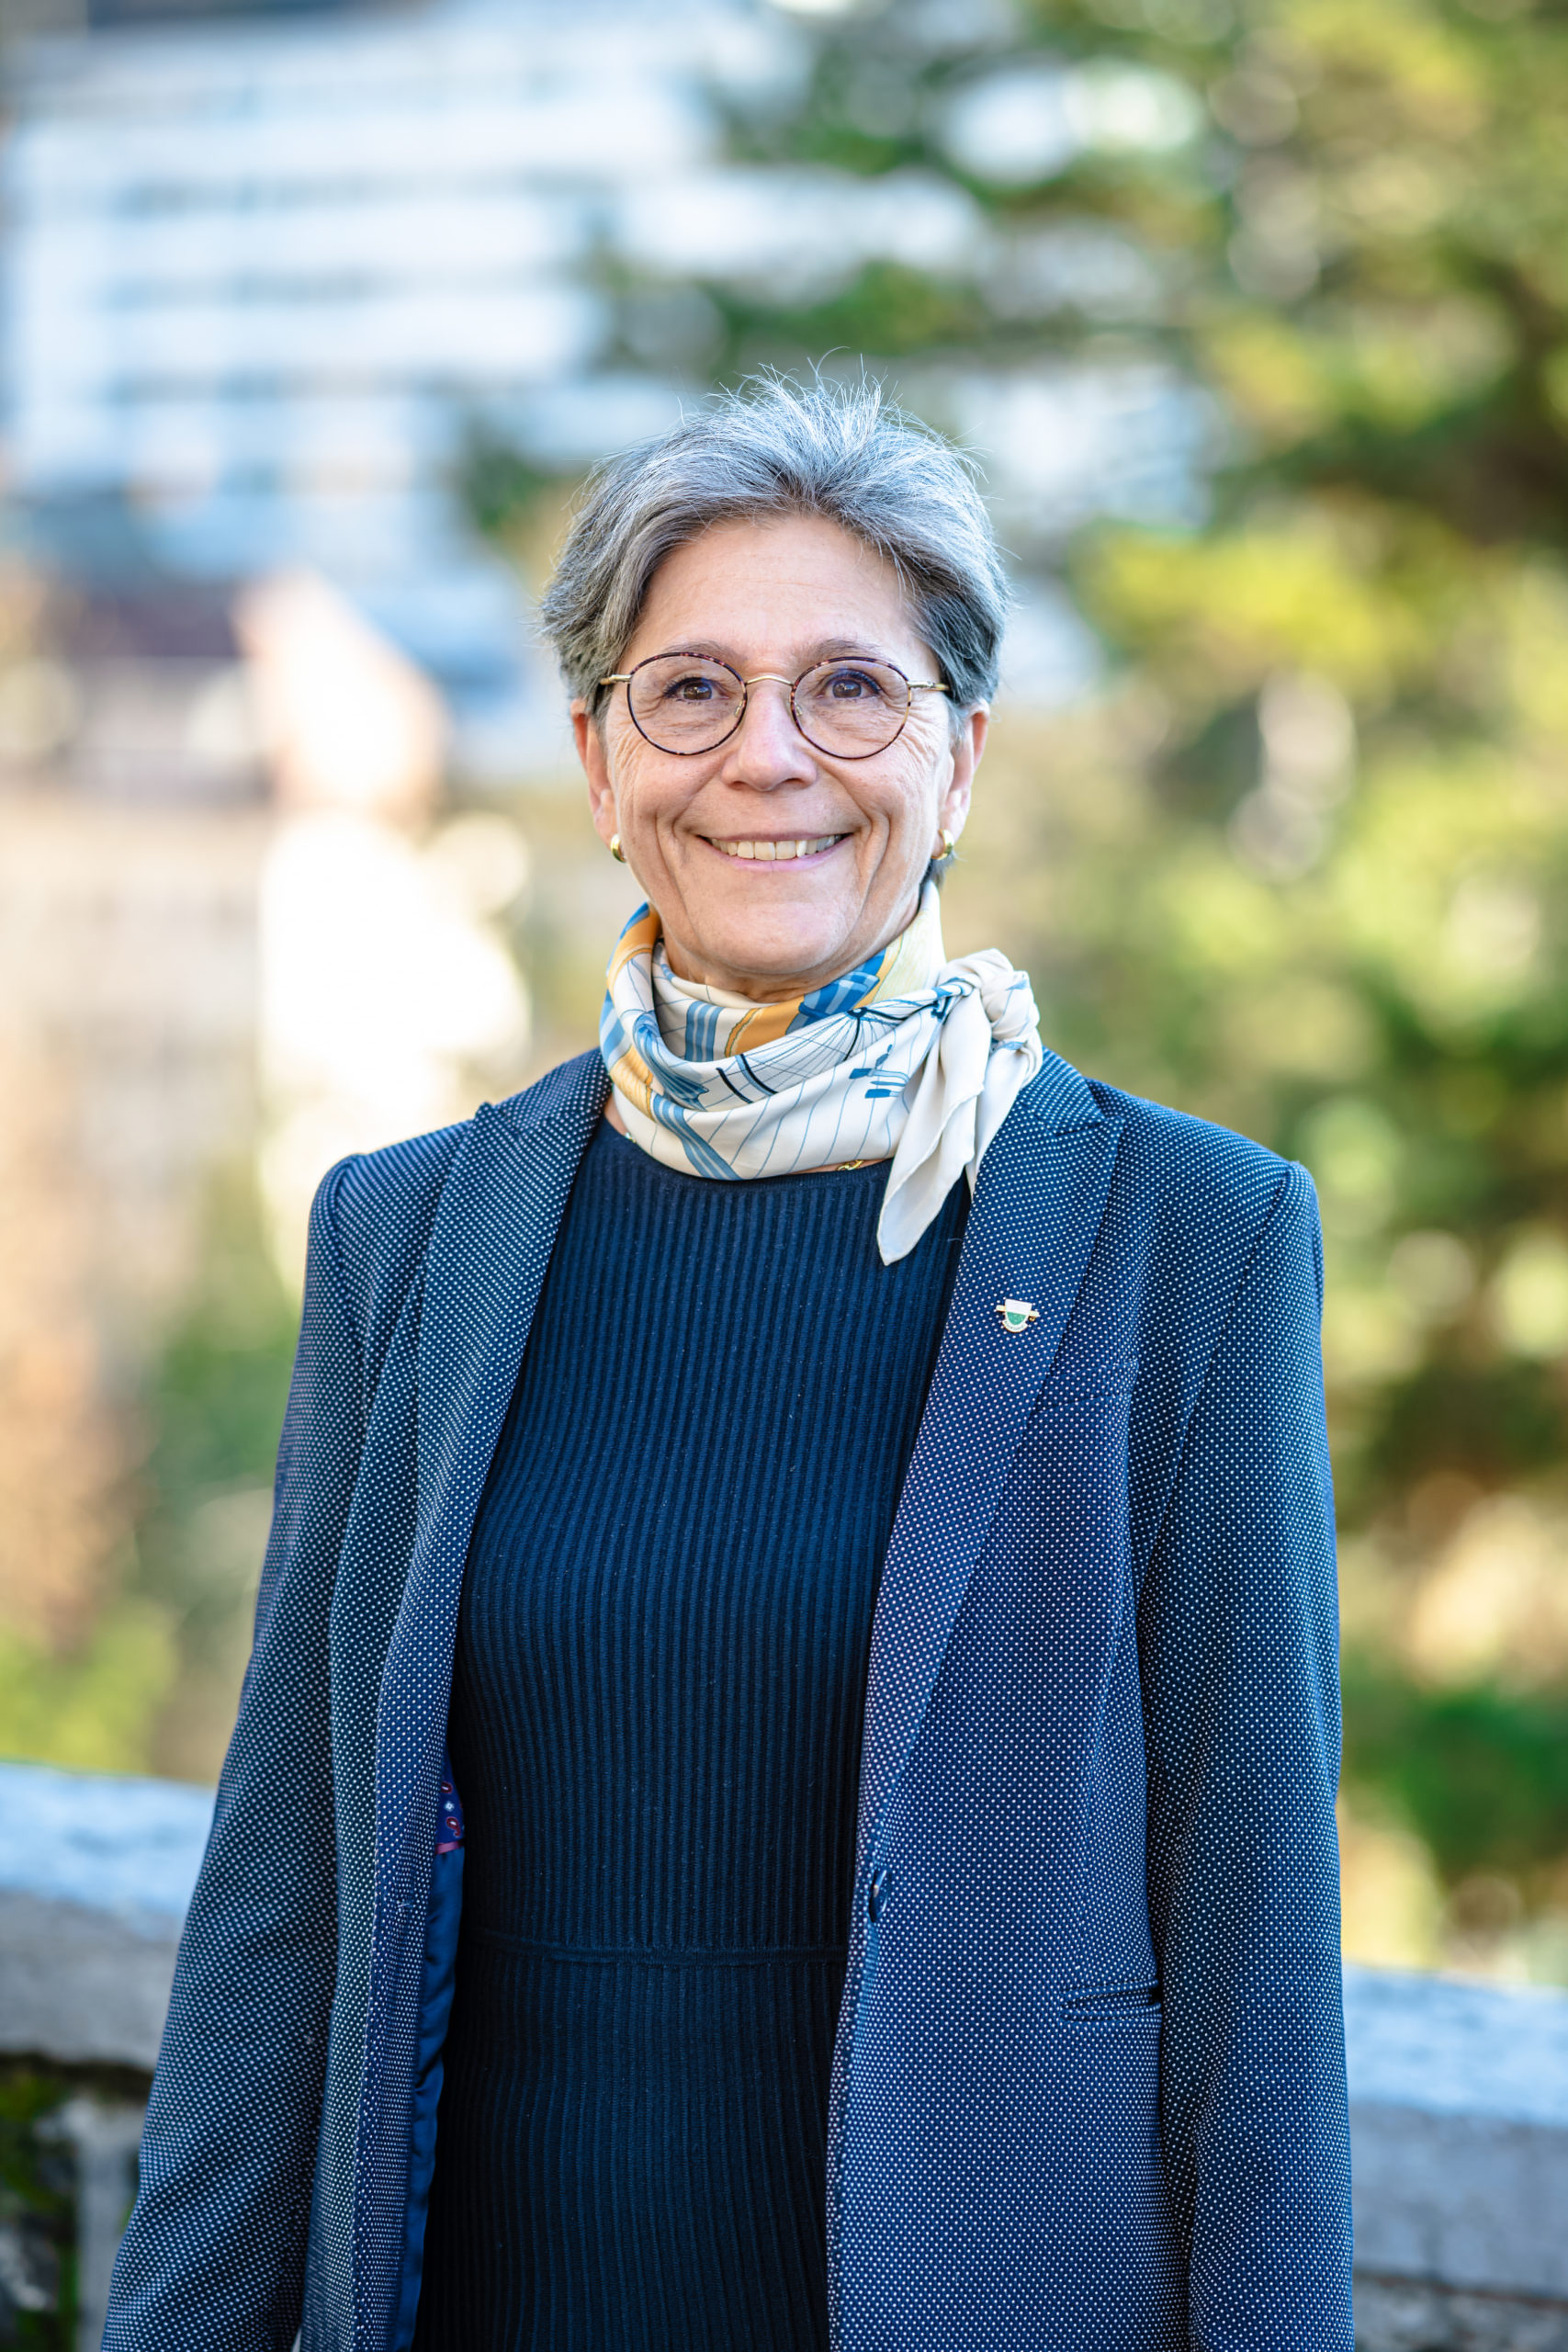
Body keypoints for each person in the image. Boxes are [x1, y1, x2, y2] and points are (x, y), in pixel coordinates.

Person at [103, 376, 1352, 2352]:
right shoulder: (405, 1238)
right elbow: (284, 1900)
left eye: (848, 689)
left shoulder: (1185, 1239)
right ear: (600, 765)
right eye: (690, 691)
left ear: (958, 757)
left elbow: (1255, 1947)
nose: (767, 756)